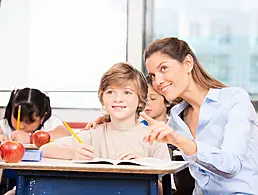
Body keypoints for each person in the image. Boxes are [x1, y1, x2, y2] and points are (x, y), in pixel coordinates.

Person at [140, 37, 258, 194]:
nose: (158, 81)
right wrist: (103, 122)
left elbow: (231, 165)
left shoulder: (234, 100)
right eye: (153, 75)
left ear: (188, 63)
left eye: (163, 68)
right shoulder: (176, 117)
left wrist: (181, 141)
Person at [40, 62, 173, 194]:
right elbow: (44, 150)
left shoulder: (155, 138)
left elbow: (165, 191)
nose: (118, 99)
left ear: (141, 100)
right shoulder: (94, 133)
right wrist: (73, 153)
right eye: (110, 92)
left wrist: (142, 167)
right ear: (102, 99)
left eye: (127, 92)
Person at [0, 88, 71, 143]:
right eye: (17, 118)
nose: (21, 126)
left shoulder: (50, 123)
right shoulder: (5, 125)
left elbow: (65, 135)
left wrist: (31, 138)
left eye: (28, 121)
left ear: (42, 117)